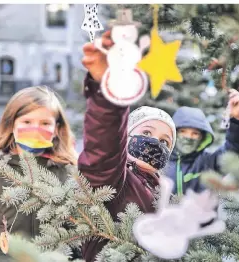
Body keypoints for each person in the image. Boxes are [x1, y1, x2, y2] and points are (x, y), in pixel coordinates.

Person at [78, 30, 178, 262]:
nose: (155, 143)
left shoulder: (164, 191)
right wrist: (109, 94)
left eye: (165, 141)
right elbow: (104, 146)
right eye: (146, 132)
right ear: (127, 135)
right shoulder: (115, 177)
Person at [0, 86, 78, 261]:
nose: (35, 129)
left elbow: (83, 236)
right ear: (11, 124)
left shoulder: (68, 174)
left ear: (57, 129)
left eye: (45, 123)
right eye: (27, 122)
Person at [166, 100, 239, 196]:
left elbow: (234, 149)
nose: (188, 137)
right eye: (183, 131)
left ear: (202, 138)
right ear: (173, 133)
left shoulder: (209, 162)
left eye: (195, 133)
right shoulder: (160, 162)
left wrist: (236, 121)